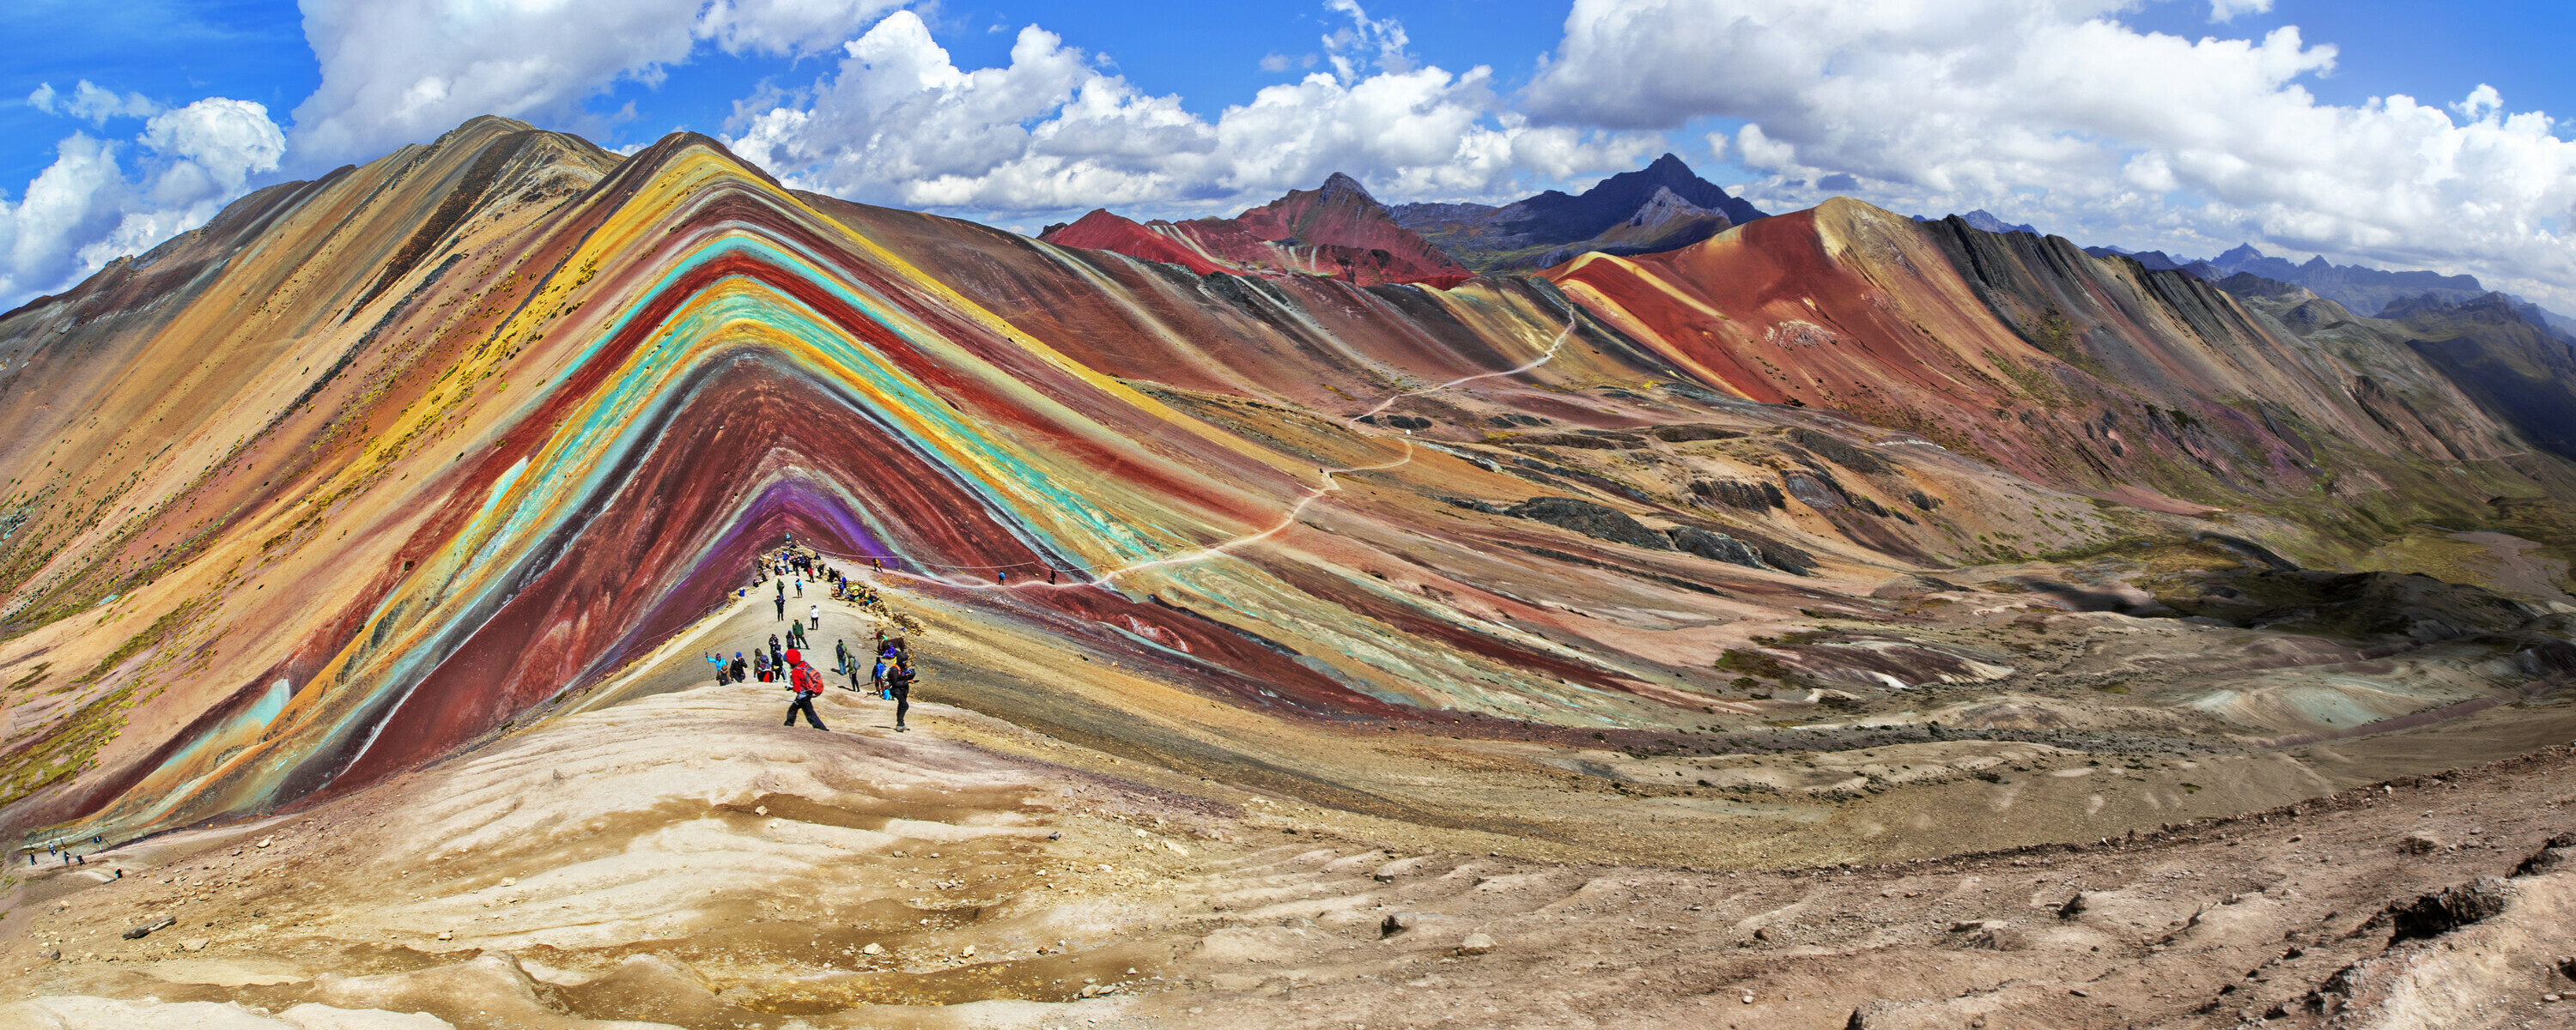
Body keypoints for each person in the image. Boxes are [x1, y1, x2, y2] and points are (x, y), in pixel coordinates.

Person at [783, 651, 827, 730]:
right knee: (793, 710)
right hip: (807, 693)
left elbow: (797, 689)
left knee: (810, 714)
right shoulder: (804, 665)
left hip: (803, 696)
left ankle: (822, 729)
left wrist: (791, 688)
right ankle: (788, 725)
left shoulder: (795, 672)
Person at [885, 657, 916, 731]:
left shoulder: (903, 668)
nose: (906, 663)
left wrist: (910, 676)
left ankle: (901, 724)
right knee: (905, 706)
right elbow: (895, 683)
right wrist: (908, 682)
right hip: (896, 690)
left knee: (901, 706)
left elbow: (903, 678)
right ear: (900, 661)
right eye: (904, 662)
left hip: (903, 690)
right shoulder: (894, 669)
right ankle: (899, 724)